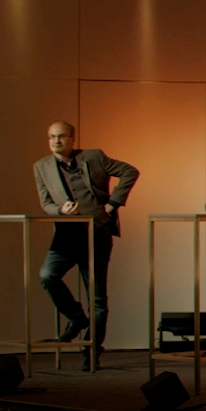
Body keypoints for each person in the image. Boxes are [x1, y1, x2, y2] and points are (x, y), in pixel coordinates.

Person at [31, 121, 139, 370]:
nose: (56, 141)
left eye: (61, 136)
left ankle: (92, 351)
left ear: (72, 139)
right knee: (47, 275)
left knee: (97, 298)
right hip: (67, 234)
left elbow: (130, 171)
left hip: (97, 232)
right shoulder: (41, 166)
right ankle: (77, 318)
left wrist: (112, 204)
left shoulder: (94, 157)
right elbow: (46, 203)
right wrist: (60, 210)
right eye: (51, 137)